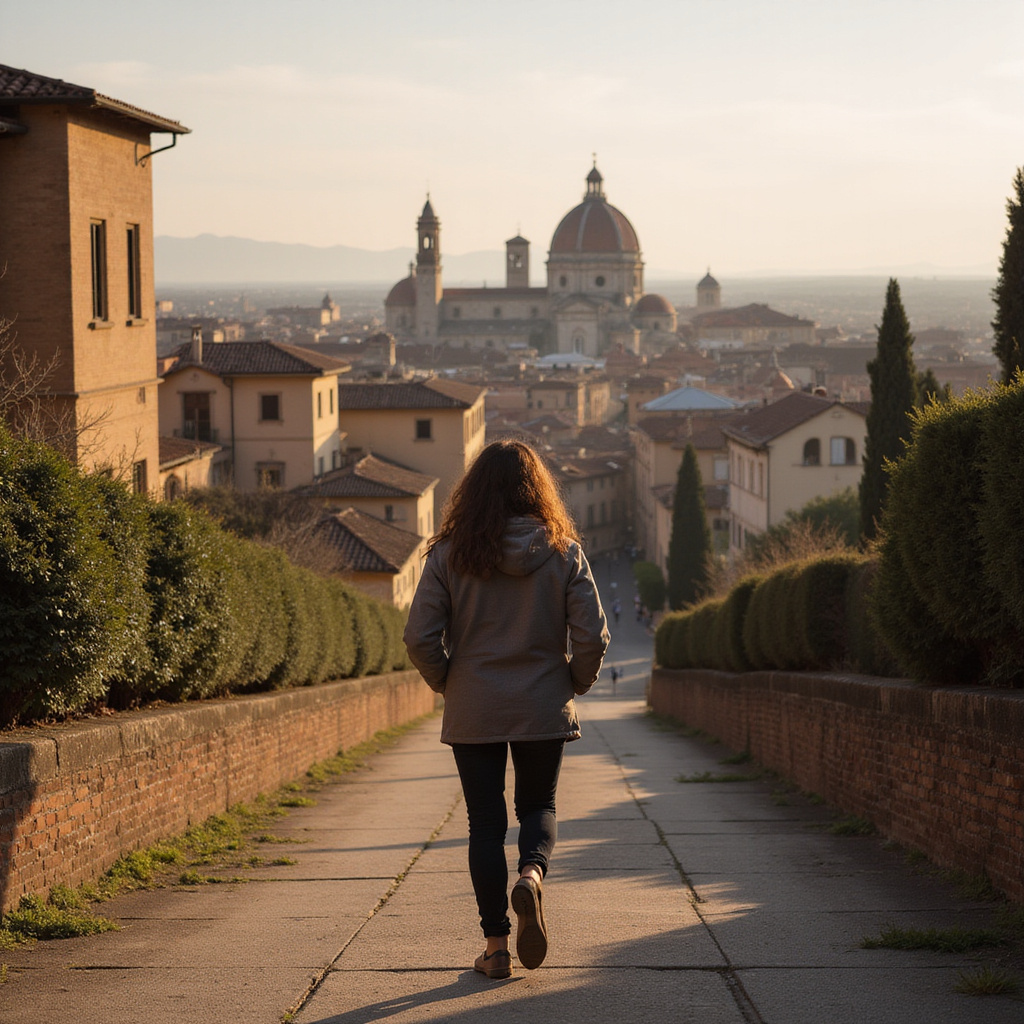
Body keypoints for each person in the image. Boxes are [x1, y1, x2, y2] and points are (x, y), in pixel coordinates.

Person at [404, 440, 610, 980]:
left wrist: (451, 682)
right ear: (537, 489)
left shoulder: (449, 554)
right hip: (543, 700)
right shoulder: (563, 551)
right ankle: (533, 877)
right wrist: (574, 682)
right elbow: (592, 634)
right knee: (538, 804)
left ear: (473, 491)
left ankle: (496, 948)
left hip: (475, 705)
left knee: (484, 823)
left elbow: (418, 636)